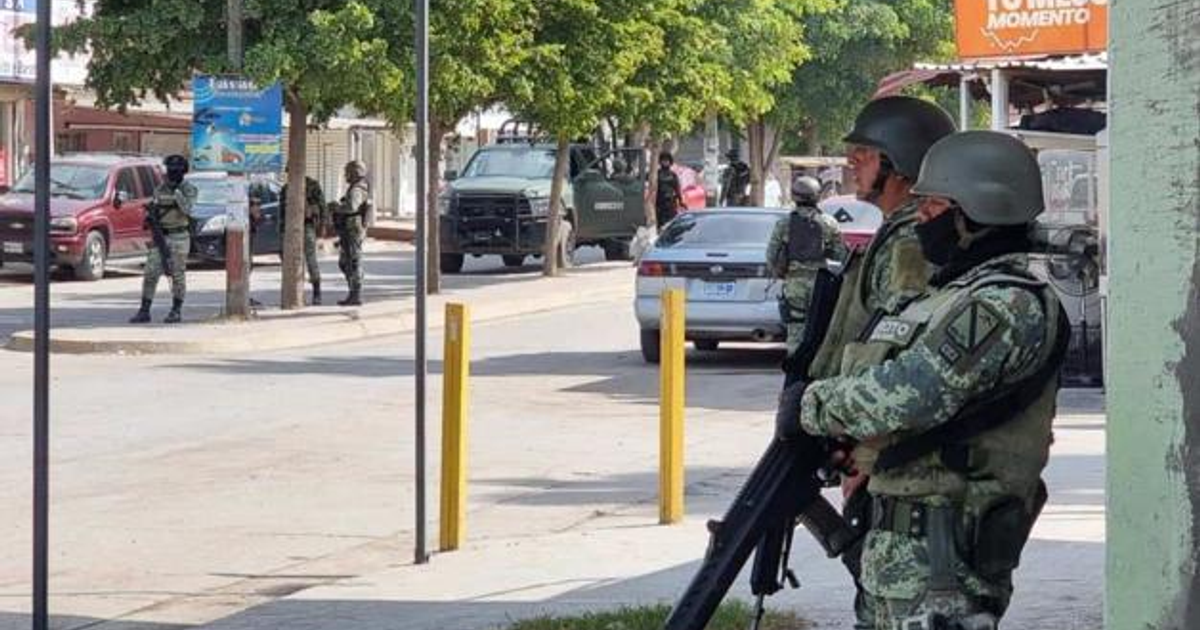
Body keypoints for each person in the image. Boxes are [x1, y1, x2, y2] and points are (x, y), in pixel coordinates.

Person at [779, 130, 1068, 630]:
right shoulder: (950, 296)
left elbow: (908, 393)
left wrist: (811, 404)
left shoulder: (1004, 304)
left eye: (935, 205)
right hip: (899, 561)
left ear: (979, 211)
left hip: (942, 568)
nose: (923, 218)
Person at [798, 95, 957, 630]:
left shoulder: (911, 241)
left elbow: (902, 353)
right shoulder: (896, 232)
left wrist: (867, 451)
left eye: (865, 154)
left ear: (900, 164)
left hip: (889, 456)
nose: (852, 163)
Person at [766, 175, 847, 383]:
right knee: (820, 329)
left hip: (794, 284)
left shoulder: (784, 223)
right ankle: (816, 376)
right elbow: (841, 256)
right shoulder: (829, 223)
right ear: (817, 197)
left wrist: (784, 273)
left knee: (795, 330)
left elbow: (772, 257)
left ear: (794, 197)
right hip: (820, 285)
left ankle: (794, 380)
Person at [130, 154, 198, 324]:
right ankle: (144, 310)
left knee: (177, 275)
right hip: (161, 235)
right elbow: (154, 207)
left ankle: (176, 310)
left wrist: (176, 194)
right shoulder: (160, 189)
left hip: (179, 236)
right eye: (170, 170)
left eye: (175, 170)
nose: (171, 173)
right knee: (150, 273)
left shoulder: (189, 189)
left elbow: (187, 209)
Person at [281, 175, 327, 305]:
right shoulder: (286, 188)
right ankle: (294, 294)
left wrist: (323, 225)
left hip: (307, 226)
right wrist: (281, 231)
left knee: (311, 259)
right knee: (291, 262)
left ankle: (317, 292)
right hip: (290, 227)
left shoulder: (312, 185)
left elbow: (322, 205)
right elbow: (281, 210)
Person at [332, 160, 371, 306]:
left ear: (355, 173)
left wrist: (336, 207)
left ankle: (356, 294)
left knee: (353, 262)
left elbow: (351, 207)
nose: (345, 175)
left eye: (347, 172)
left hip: (353, 230)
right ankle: (353, 291)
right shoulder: (356, 187)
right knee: (345, 262)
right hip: (349, 230)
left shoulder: (357, 189)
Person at [655, 151, 684, 228]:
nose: (665, 162)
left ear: (670, 162)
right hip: (659, 202)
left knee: (671, 223)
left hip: (671, 202)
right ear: (660, 162)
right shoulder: (656, 173)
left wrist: (680, 200)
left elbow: (677, 188)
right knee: (660, 223)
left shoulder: (673, 174)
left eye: (667, 160)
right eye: (663, 160)